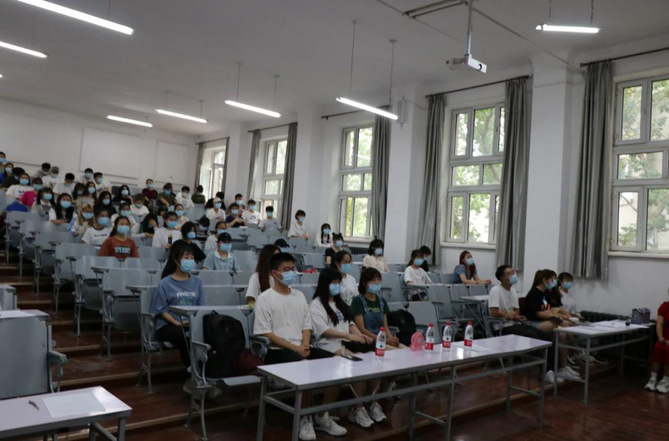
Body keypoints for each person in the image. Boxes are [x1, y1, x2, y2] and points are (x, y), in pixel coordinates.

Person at [253, 253, 343, 439]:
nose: (291, 273)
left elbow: (306, 326)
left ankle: (321, 415)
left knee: (338, 362)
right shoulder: (265, 298)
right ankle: (304, 418)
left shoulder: (299, 296)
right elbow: (265, 333)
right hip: (277, 352)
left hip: (301, 348)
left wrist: (305, 346)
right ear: (274, 273)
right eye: (286, 270)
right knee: (306, 367)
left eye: (293, 269)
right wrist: (296, 349)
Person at [310, 268, 382, 430]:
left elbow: (350, 324)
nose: (336, 286)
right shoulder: (316, 305)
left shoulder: (340, 303)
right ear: (324, 284)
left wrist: (359, 335)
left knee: (371, 359)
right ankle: (357, 408)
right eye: (333, 282)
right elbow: (323, 330)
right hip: (328, 346)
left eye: (338, 283)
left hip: (345, 343)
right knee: (357, 364)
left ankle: (370, 404)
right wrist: (349, 336)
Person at [489, 265, 561, 384]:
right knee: (535, 338)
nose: (513, 275)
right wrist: (506, 314)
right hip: (503, 327)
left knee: (545, 336)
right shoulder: (496, 290)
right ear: (501, 277)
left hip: (515, 323)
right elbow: (493, 312)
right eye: (509, 273)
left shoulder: (513, 290)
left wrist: (515, 315)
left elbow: (516, 310)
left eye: (513, 272)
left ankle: (556, 368)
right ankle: (546, 370)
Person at [150, 245, 204, 383]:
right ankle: (194, 375)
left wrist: (193, 322)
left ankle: (206, 372)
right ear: (176, 260)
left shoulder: (197, 282)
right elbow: (161, 310)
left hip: (191, 323)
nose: (190, 261)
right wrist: (178, 323)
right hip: (168, 325)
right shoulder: (165, 284)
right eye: (186, 258)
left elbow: (201, 306)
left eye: (192, 258)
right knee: (186, 336)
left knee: (209, 331)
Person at [522, 269, 580, 382]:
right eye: (552, 280)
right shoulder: (534, 293)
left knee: (563, 334)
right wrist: (557, 319)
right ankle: (574, 355)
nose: (554, 282)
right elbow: (539, 313)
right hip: (533, 322)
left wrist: (560, 315)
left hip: (546, 320)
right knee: (564, 326)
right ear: (544, 280)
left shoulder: (546, 293)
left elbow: (549, 310)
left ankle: (563, 366)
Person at [351, 267, 400, 347]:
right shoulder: (357, 301)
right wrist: (383, 340)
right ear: (364, 283)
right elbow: (361, 329)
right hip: (368, 340)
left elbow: (385, 327)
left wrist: (391, 339)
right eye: (373, 280)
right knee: (394, 351)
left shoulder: (382, 301)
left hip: (382, 338)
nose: (377, 282)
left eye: (378, 280)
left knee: (403, 348)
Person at [645, 290, 669, 393]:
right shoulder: (664, 306)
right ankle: (653, 378)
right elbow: (659, 324)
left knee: (668, 350)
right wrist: (660, 337)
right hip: (665, 337)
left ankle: (666, 381)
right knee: (658, 347)